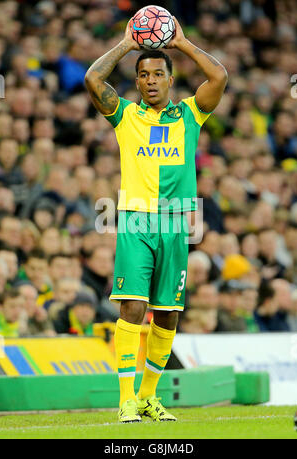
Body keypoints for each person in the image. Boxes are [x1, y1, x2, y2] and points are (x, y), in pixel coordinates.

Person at [85, 16, 227, 423]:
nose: (150, 81)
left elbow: (218, 75)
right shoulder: (126, 116)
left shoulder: (189, 115)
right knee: (132, 307)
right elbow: (94, 81)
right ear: (137, 82)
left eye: (158, 74)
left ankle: (149, 396)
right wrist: (126, 44)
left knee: (168, 313)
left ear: (170, 79)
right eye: (143, 75)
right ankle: (126, 399)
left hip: (175, 223)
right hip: (135, 221)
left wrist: (181, 43)